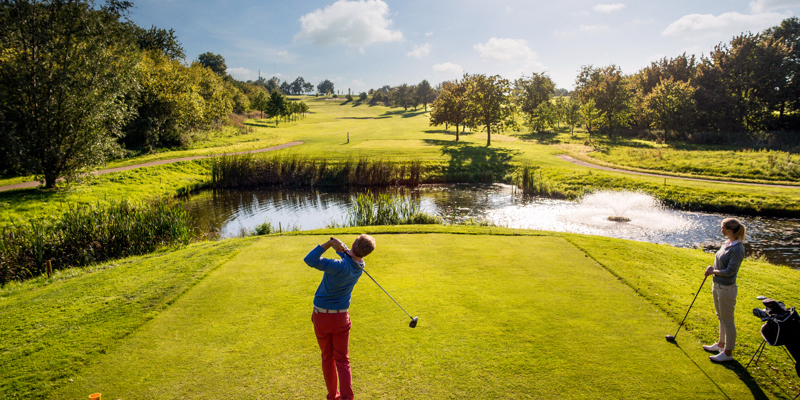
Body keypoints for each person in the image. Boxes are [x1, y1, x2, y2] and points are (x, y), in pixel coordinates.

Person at [304, 234, 376, 400]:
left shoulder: (336, 266)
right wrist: (339, 246)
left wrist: (329, 244)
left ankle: (333, 396)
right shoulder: (360, 265)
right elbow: (349, 255)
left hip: (322, 316)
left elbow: (310, 259)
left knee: (327, 358)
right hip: (341, 318)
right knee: (342, 360)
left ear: (354, 243)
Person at [703, 218, 746, 362]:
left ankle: (727, 353)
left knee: (728, 320)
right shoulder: (727, 243)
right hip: (717, 285)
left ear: (729, 230)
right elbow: (721, 262)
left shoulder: (737, 248)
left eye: (722, 228)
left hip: (727, 288)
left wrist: (713, 272)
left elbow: (730, 271)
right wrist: (712, 269)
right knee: (720, 317)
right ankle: (721, 345)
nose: (720, 229)